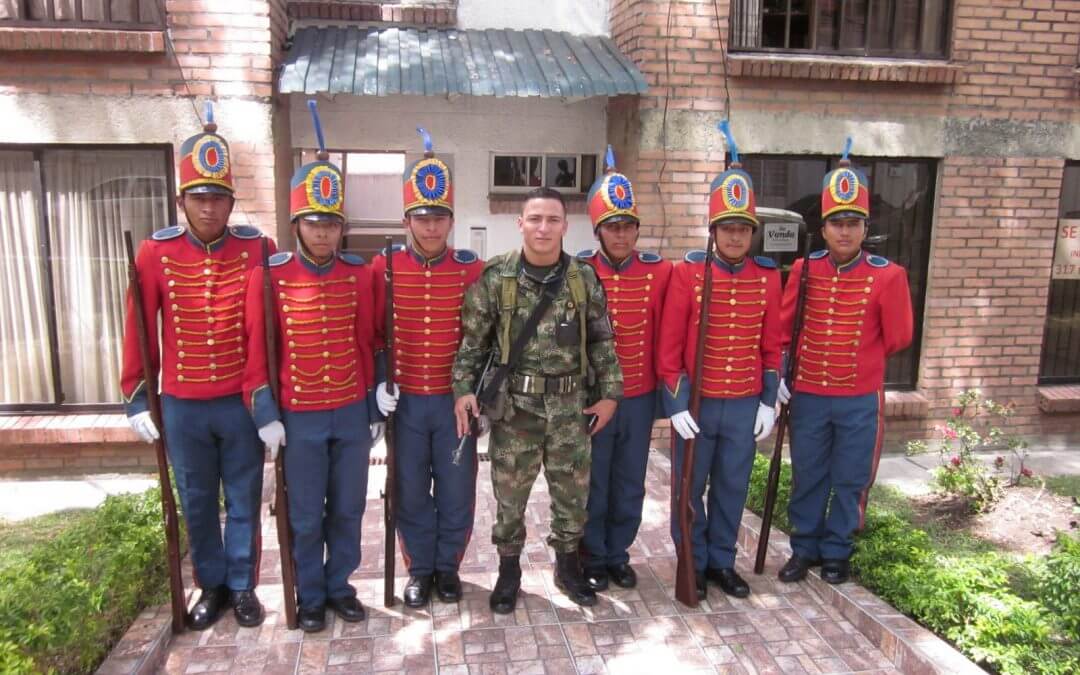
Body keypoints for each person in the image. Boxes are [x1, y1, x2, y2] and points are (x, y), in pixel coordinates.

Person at [121, 104, 270, 630]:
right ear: (183, 200)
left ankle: (243, 584)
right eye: (200, 198)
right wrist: (138, 394)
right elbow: (138, 330)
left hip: (239, 402)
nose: (210, 208)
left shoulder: (257, 250)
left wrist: (268, 401)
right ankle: (211, 585)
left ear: (231, 202)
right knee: (199, 499)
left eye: (219, 198)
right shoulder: (153, 254)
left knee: (246, 496)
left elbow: (266, 332)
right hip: (183, 404)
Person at [242, 101, 380, 633]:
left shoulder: (359, 273)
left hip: (347, 411)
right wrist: (264, 412)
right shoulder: (270, 275)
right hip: (297, 415)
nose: (323, 233)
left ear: (342, 227)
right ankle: (311, 593)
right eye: (313, 223)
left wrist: (371, 406)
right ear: (297, 224)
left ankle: (341, 584)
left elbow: (366, 341)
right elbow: (258, 352)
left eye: (332, 224)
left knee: (347, 508)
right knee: (303, 515)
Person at [452, 187, 623, 613]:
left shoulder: (582, 278)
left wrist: (610, 396)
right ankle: (509, 572)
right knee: (509, 498)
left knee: (572, 496)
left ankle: (567, 569)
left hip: (571, 410)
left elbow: (603, 341)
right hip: (516, 413)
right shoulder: (497, 278)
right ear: (521, 224)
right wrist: (464, 391)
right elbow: (472, 344)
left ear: (566, 226)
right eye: (535, 219)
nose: (543, 228)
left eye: (552, 220)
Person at [776, 140, 913, 586]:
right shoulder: (804, 270)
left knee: (851, 477)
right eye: (836, 223)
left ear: (864, 227)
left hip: (858, 397)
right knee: (809, 475)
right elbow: (784, 327)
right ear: (824, 227)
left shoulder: (888, 276)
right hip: (811, 394)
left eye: (852, 223)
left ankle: (838, 551)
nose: (844, 232)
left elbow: (899, 337)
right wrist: (782, 373)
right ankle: (804, 548)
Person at [657, 123, 781, 601]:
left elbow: (772, 345)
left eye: (742, 229)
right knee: (689, 492)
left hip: (744, 403)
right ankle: (692, 558)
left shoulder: (769, 279)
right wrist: (676, 402)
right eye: (727, 228)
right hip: (699, 405)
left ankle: (723, 562)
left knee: (731, 486)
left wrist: (769, 400)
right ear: (713, 230)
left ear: (752, 233)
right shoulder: (688, 274)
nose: (734, 237)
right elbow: (669, 347)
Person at [370, 129, 484, 609]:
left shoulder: (471, 269)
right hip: (408, 402)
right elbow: (372, 333)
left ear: (451, 220)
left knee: (457, 490)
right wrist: (379, 383)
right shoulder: (385, 268)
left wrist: (475, 393)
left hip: (453, 402)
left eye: (439, 218)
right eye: (422, 217)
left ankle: (447, 568)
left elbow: (484, 341)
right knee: (411, 490)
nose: (431, 227)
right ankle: (418, 568)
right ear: (407, 219)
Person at [576, 146, 672, 592]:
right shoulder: (577, 272)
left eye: (629, 226)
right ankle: (592, 554)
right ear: (599, 231)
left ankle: (618, 553)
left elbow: (668, 337)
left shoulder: (660, 273)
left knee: (630, 481)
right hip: (594, 398)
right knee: (593, 482)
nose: (622, 235)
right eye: (613, 227)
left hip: (638, 396)